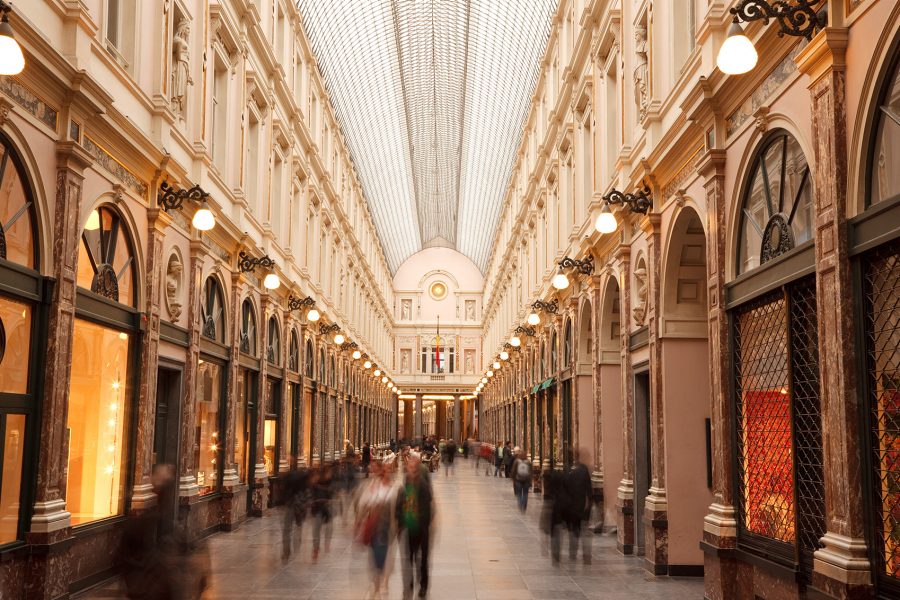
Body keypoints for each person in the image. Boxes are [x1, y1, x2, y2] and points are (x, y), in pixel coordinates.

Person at [355, 460, 399, 598]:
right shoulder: (373, 486)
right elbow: (363, 503)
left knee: (385, 557)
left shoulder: (396, 488)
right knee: (376, 558)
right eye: (384, 470)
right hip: (375, 527)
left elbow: (400, 509)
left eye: (389, 470)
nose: (386, 473)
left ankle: (381, 584)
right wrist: (358, 522)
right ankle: (378, 585)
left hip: (389, 528)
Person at [396, 452, 434, 599]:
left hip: (422, 529)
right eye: (408, 467)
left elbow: (427, 507)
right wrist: (400, 521)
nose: (410, 470)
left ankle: (423, 585)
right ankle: (410, 582)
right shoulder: (405, 483)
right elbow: (401, 503)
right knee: (409, 557)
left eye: (412, 467)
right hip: (409, 528)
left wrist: (422, 520)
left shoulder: (423, 486)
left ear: (417, 468)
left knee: (423, 559)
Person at [564, 448, 594, 564]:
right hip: (583, 506)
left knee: (574, 531)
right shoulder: (583, 469)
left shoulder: (568, 470)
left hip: (573, 507)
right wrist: (589, 503)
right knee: (584, 531)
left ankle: (573, 553)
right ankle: (586, 555)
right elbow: (588, 489)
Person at [281, 459, 310, 561]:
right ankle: (297, 543)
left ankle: (286, 550)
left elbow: (283, 491)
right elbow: (307, 493)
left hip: (290, 505)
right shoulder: (303, 480)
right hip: (299, 505)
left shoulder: (288, 477)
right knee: (298, 525)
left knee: (286, 529)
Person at [310, 464, 334, 561]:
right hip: (319, 508)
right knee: (316, 529)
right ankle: (316, 548)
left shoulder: (330, 482)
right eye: (329, 473)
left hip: (326, 508)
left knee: (328, 527)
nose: (330, 474)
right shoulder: (317, 483)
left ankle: (326, 542)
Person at [511, 447, 531, 513]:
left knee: (519, 494)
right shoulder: (528, 462)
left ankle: (520, 505)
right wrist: (530, 480)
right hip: (526, 480)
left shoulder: (517, 461)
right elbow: (531, 472)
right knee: (525, 494)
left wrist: (513, 479)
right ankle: (524, 506)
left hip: (518, 479)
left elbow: (513, 471)